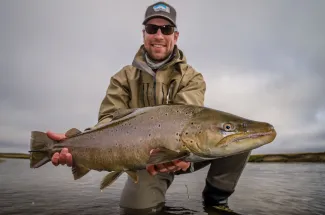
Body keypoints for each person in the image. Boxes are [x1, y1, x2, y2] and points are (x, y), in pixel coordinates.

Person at [47, 2, 251, 214]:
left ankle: (215, 202)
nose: (159, 35)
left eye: (167, 29)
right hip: (146, 161)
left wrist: (180, 157)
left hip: (190, 154)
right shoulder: (123, 78)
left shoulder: (192, 78)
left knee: (240, 140)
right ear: (144, 34)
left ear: (176, 36)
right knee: (135, 210)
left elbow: (188, 118)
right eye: (152, 29)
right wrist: (80, 142)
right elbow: (108, 120)